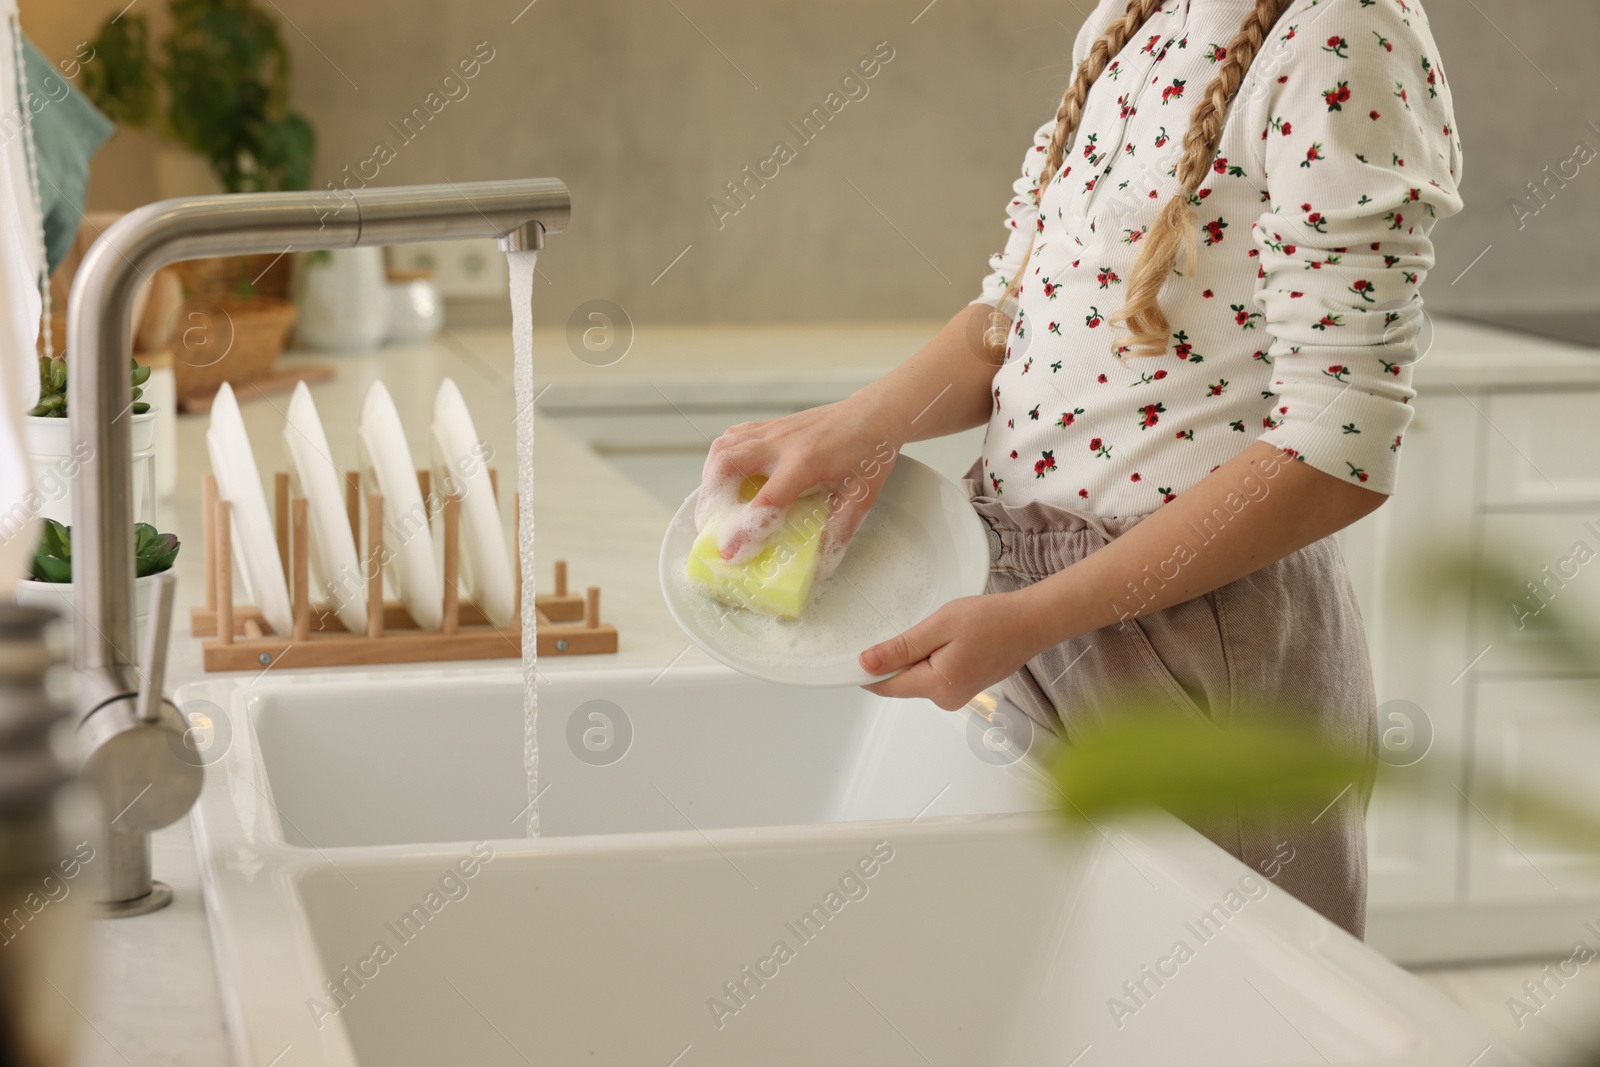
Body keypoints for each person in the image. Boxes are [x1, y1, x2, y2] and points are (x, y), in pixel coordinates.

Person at [694, 0, 1462, 939]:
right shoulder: (1134, 18)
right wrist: (853, 428)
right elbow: (1012, 317)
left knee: (1214, 1015)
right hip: (1029, 606)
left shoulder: (1337, 33)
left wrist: (1033, 617)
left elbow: (1338, 450)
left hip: (1193, 646)